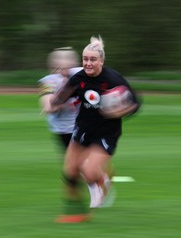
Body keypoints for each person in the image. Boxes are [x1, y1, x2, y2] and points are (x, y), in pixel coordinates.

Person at [51, 35, 141, 223]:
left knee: (89, 170)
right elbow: (61, 97)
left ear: (101, 61)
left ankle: (103, 178)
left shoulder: (113, 78)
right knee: (70, 171)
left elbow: (136, 103)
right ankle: (76, 212)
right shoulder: (78, 78)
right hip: (83, 129)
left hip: (107, 132)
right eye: (85, 59)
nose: (88, 63)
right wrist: (55, 101)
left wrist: (121, 110)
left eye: (93, 59)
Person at [38, 47, 110, 212]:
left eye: (68, 66)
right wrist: (53, 104)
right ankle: (95, 183)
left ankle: (97, 186)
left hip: (82, 126)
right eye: (60, 67)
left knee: (82, 164)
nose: (64, 71)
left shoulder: (81, 73)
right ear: (53, 66)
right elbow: (47, 103)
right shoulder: (48, 81)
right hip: (62, 130)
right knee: (73, 169)